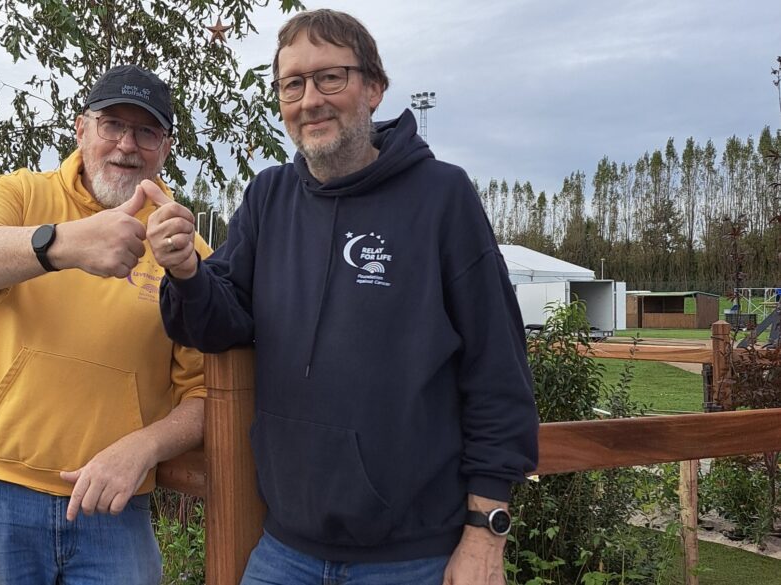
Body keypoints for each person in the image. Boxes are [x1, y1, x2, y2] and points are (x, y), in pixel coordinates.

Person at [148, 9, 538, 585]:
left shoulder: (442, 198)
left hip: (414, 558)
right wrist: (185, 271)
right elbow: (219, 322)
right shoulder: (268, 198)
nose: (310, 100)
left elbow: (497, 370)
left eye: (331, 77)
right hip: (284, 553)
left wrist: (486, 533)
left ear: (374, 88)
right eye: (293, 84)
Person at [0, 64, 209, 585]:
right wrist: (63, 245)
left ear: (165, 147)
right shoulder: (22, 195)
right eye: (111, 125)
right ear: (81, 129)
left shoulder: (183, 250)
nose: (127, 145)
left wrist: (144, 448)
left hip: (116, 506)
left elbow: (205, 394)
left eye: (146, 131)